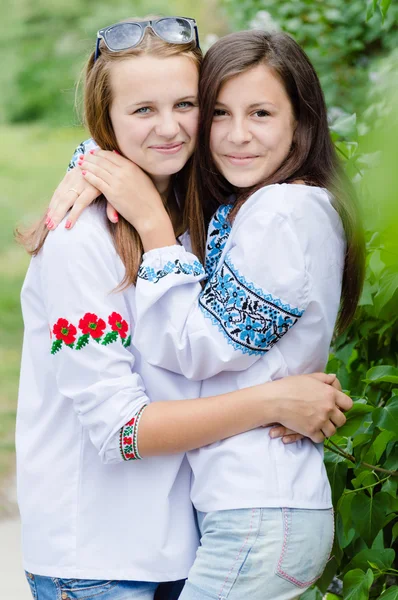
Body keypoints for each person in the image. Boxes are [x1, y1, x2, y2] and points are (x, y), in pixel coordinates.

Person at [30, 22, 352, 600]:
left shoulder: (198, 222)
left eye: (187, 104)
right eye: (143, 110)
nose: (171, 127)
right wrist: (276, 401)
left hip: (188, 540)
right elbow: (120, 429)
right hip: (101, 558)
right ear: (107, 123)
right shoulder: (80, 241)